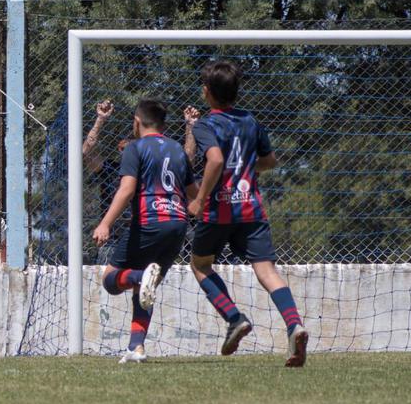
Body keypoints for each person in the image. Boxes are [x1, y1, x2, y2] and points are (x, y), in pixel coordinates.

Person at [187, 60, 309, 367]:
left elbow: (214, 160)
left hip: (220, 211)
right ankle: (294, 324)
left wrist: (200, 199)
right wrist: (244, 168)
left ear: (206, 92)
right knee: (267, 270)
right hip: (251, 208)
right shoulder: (250, 121)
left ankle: (234, 317)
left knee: (201, 265)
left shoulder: (205, 125)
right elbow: (270, 160)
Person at [92, 99, 198, 363]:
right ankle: (136, 348)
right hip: (178, 225)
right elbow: (194, 194)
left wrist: (105, 223)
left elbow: (127, 189)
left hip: (149, 222)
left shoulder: (135, 148)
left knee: (111, 279)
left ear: (136, 122)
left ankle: (139, 275)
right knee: (144, 291)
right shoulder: (177, 150)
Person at [85, 100, 198, 264]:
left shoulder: (153, 168)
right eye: (123, 147)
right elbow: (87, 152)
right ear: (119, 149)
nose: (129, 150)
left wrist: (190, 127)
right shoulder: (111, 169)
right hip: (116, 237)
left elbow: (186, 161)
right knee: (112, 277)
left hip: (151, 225)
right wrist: (100, 120)